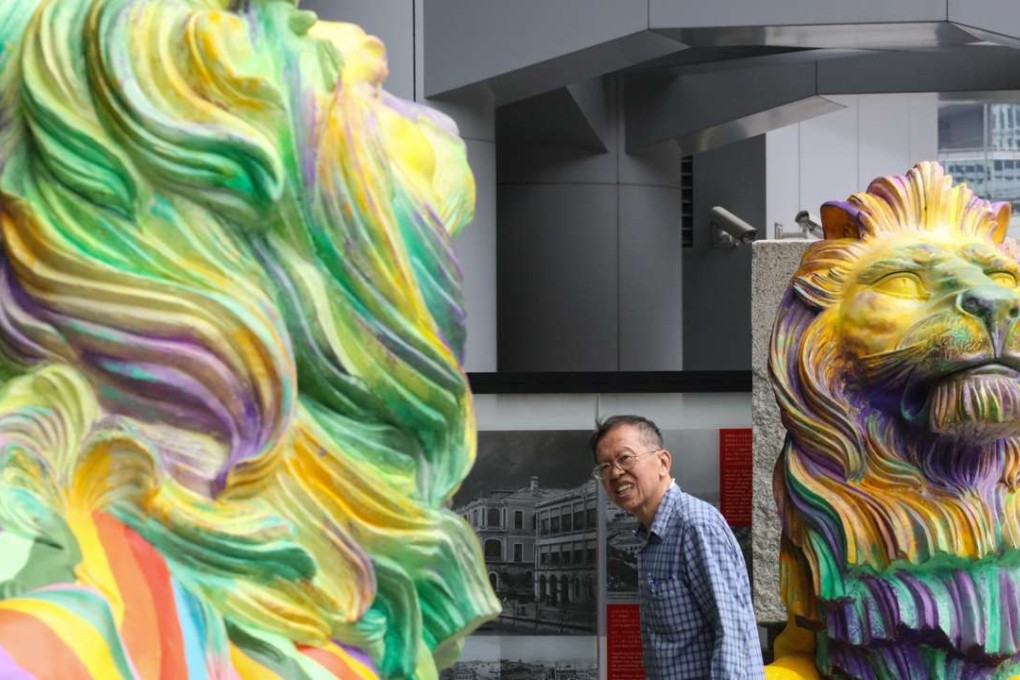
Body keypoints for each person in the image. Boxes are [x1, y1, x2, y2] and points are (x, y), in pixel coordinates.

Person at [591, 415, 764, 680]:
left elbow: (733, 635)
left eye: (625, 458)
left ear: (663, 462)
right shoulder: (653, 536)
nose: (614, 473)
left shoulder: (695, 525)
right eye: (604, 466)